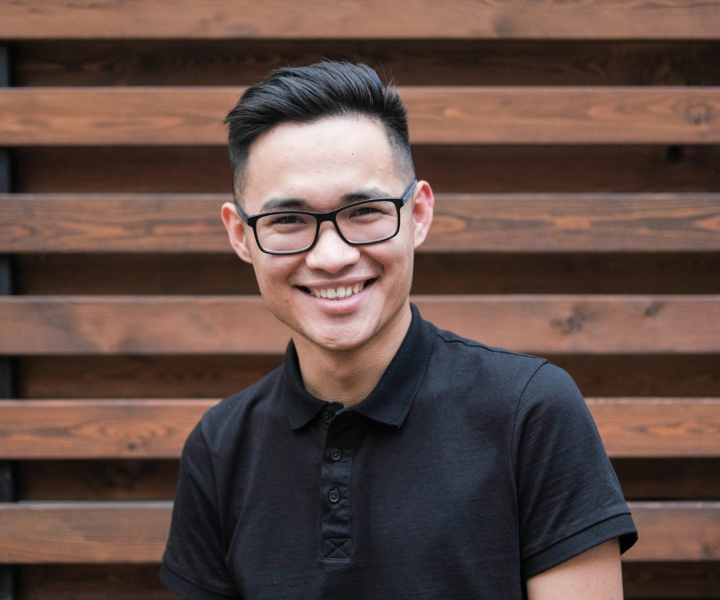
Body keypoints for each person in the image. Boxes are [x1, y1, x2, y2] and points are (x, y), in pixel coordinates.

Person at [161, 61, 637, 600]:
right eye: (288, 220)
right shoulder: (220, 446)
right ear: (240, 235)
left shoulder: (530, 412)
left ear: (419, 214)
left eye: (365, 211)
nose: (332, 257)